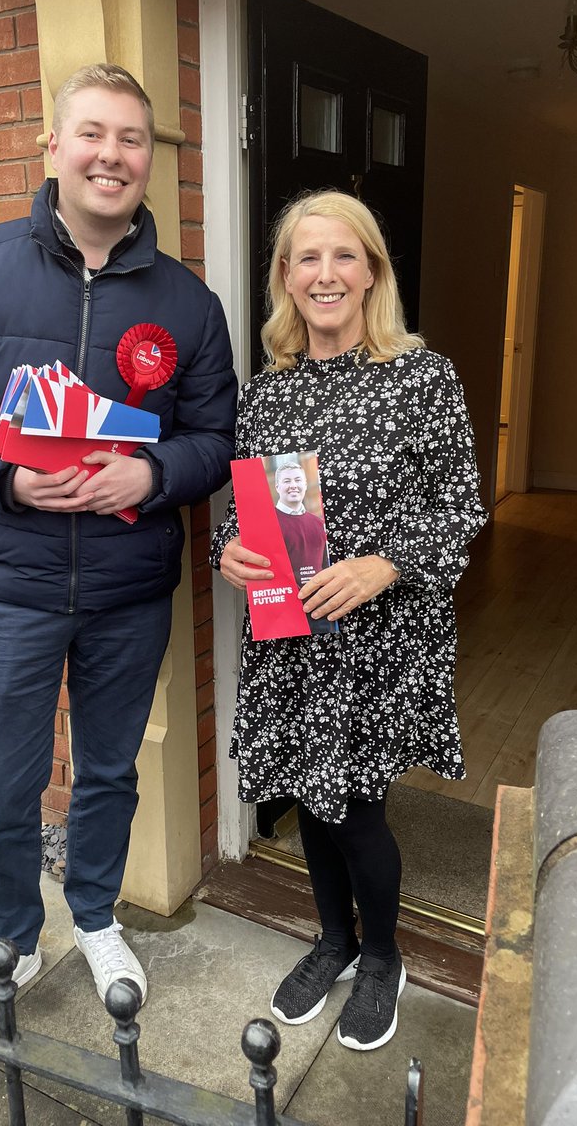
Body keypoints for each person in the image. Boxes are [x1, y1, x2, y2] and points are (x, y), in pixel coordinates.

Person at [0, 63, 237, 1039]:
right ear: (54, 146)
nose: (111, 155)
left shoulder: (187, 305)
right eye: (92, 133)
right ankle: (12, 936)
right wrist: (6, 479)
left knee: (111, 773)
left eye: (131, 139)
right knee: (3, 787)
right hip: (12, 585)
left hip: (130, 591)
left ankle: (91, 915)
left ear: (148, 160)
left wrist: (154, 475)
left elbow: (214, 438)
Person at [211, 189, 486, 1051]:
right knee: (306, 795)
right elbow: (245, 510)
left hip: (380, 645)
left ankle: (383, 957)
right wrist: (229, 547)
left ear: (371, 271)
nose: (325, 275)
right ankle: (331, 941)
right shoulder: (266, 395)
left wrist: (383, 565)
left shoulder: (421, 376)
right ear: (286, 279)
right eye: (306, 258)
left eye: (343, 257)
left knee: (358, 809)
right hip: (291, 638)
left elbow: (460, 507)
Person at [271, 459, 333, 636]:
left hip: (320, 614)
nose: (293, 486)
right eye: (287, 481)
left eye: (298, 480)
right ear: (277, 487)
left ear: (305, 485)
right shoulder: (268, 524)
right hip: (282, 614)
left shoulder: (318, 524)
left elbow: (324, 567)